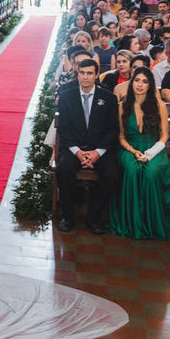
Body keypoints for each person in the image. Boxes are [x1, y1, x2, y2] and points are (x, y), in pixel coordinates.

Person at [55, 58, 120, 234]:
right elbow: (64, 129)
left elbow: (112, 130)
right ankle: (68, 218)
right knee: (64, 170)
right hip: (74, 148)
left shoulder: (109, 98)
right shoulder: (66, 96)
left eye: (89, 73)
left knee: (112, 174)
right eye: (82, 73)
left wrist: (97, 153)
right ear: (78, 73)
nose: (85, 77)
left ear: (96, 75)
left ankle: (94, 218)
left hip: (99, 149)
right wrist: (77, 152)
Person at [112, 68, 170, 240]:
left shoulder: (159, 105)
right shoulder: (122, 106)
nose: (140, 85)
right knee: (132, 172)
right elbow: (121, 137)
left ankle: (154, 224)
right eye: (137, 80)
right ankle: (131, 224)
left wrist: (151, 153)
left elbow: (164, 136)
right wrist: (133, 151)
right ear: (131, 82)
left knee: (150, 173)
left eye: (144, 81)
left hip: (154, 148)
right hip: (129, 148)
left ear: (150, 85)